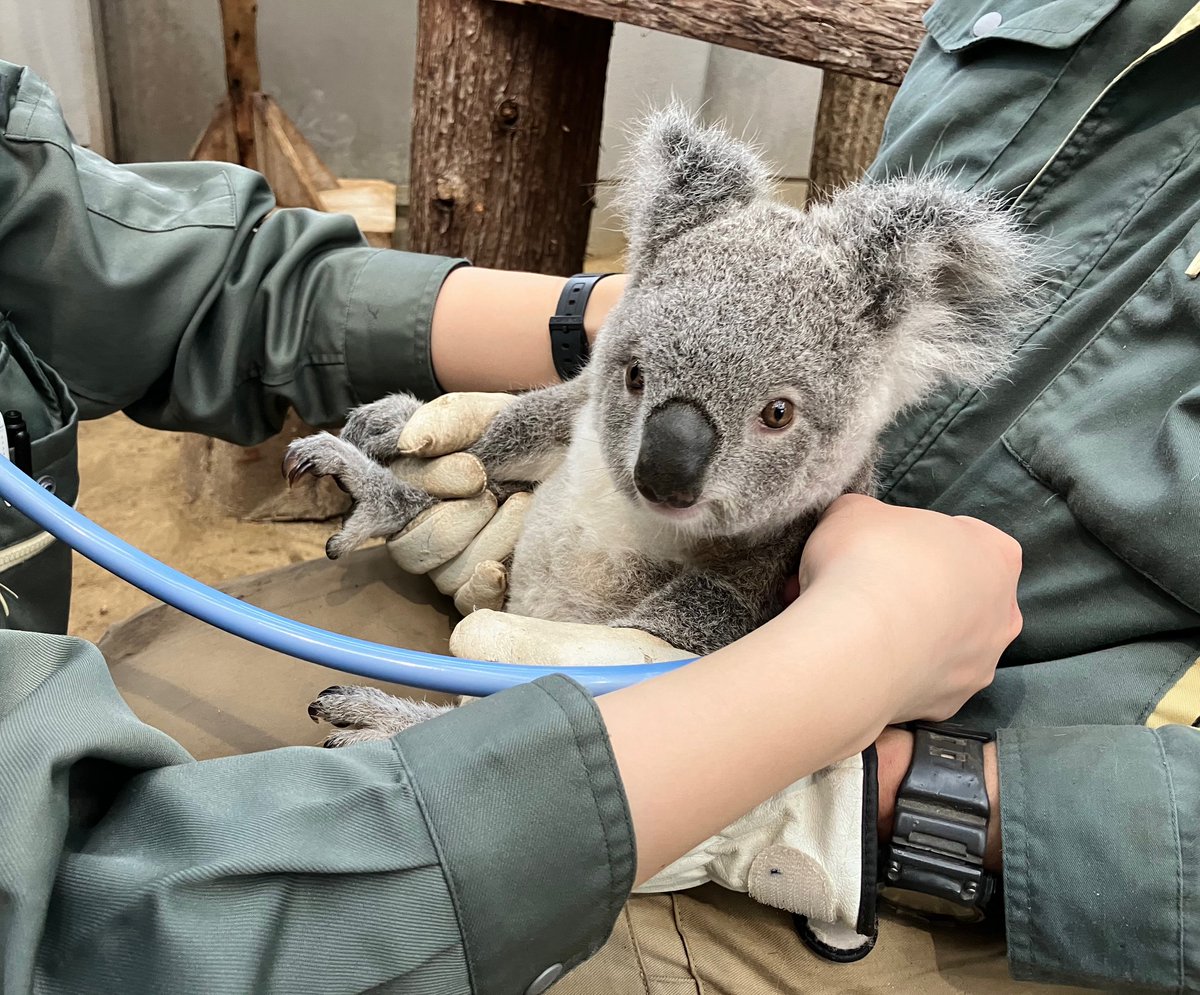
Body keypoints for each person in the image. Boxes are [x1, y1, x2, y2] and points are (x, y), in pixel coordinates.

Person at [0, 0, 1197, 984]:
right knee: (163, 672)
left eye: (775, 417)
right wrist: (601, 360)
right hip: (609, 654)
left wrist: (866, 779)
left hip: (946, 822)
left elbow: (104, 249)